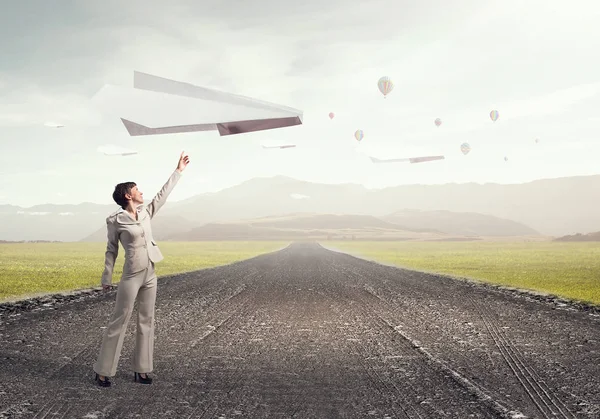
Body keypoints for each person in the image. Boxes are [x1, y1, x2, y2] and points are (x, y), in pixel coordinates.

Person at [92, 151, 190, 387]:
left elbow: (162, 196)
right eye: (137, 189)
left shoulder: (146, 212)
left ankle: (142, 369)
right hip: (132, 275)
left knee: (147, 319)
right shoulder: (115, 220)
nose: (141, 192)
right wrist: (107, 276)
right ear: (128, 195)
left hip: (150, 273)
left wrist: (178, 171)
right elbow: (111, 250)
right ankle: (103, 370)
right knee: (119, 319)